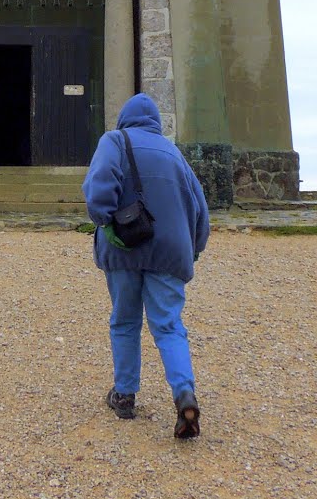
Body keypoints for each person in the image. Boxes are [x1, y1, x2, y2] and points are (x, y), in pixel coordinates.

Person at [82, 92, 209, 439]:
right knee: (168, 326)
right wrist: (192, 251)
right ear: (156, 122)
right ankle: (184, 393)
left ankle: (124, 395)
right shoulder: (174, 152)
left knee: (124, 321)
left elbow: (98, 190)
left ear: (125, 117)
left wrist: (105, 222)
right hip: (170, 253)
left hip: (125, 248)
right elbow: (201, 209)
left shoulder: (114, 141)